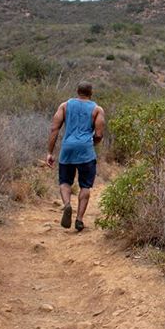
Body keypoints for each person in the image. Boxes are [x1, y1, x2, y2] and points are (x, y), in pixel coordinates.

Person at [46, 81, 105, 231]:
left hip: (67, 149)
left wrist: (50, 153)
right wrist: (92, 144)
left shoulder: (65, 106)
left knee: (65, 182)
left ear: (77, 91)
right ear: (91, 93)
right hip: (85, 150)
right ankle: (79, 219)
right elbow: (99, 134)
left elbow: (54, 129)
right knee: (85, 186)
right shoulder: (97, 109)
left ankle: (67, 205)